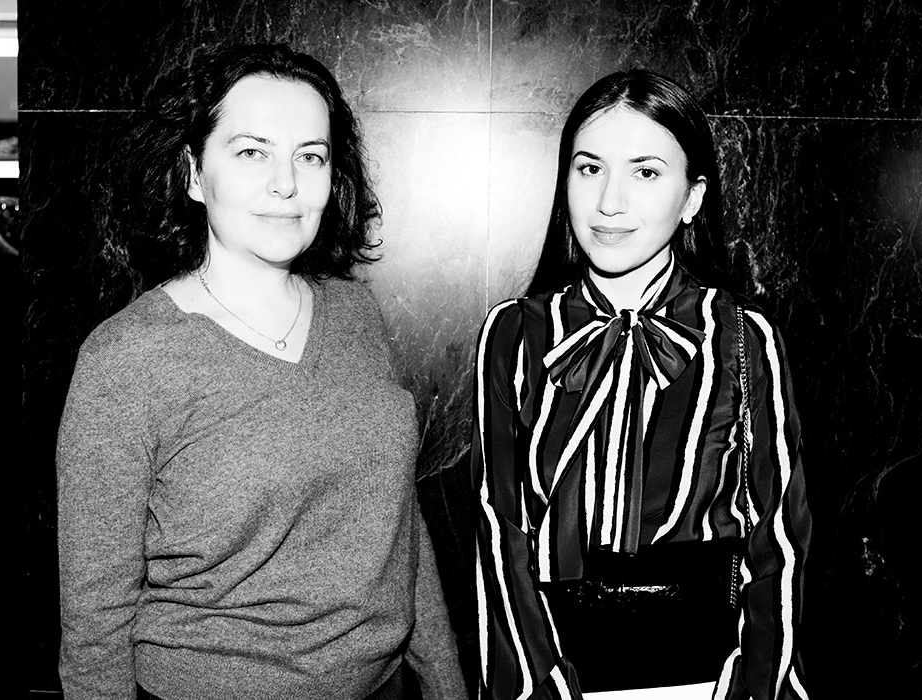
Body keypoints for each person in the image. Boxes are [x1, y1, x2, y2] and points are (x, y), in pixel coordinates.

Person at [57, 43, 467, 700]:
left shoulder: (355, 313)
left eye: (310, 155)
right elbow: (94, 618)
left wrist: (445, 682)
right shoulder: (127, 357)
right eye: (252, 152)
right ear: (194, 174)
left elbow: (395, 521)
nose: (286, 184)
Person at [472, 70, 811, 700]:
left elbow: (779, 543)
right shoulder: (513, 334)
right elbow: (500, 531)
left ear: (692, 198)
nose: (610, 201)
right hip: (558, 681)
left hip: (709, 682)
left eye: (646, 172)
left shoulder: (744, 338)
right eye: (589, 168)